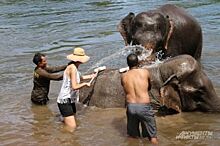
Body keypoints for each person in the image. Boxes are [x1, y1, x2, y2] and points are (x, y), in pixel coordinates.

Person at [121, 53, 158, 145]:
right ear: (138, 62)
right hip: (144, 106)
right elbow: (149, 87)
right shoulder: (145, 72)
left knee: (132, 137)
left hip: (131, 107)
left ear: (127, 64)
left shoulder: (123, 76)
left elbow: (126, 90)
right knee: (152, 137)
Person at [57, 47, 97, 132]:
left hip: (70, 99)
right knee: (72, 127)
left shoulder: (73, 66)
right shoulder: (73, 68)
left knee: (71, 121)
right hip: (65, 100)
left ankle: (62, 128)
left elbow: (78, 78)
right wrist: (85, 84)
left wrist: (90, 76)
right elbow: (75, 86)